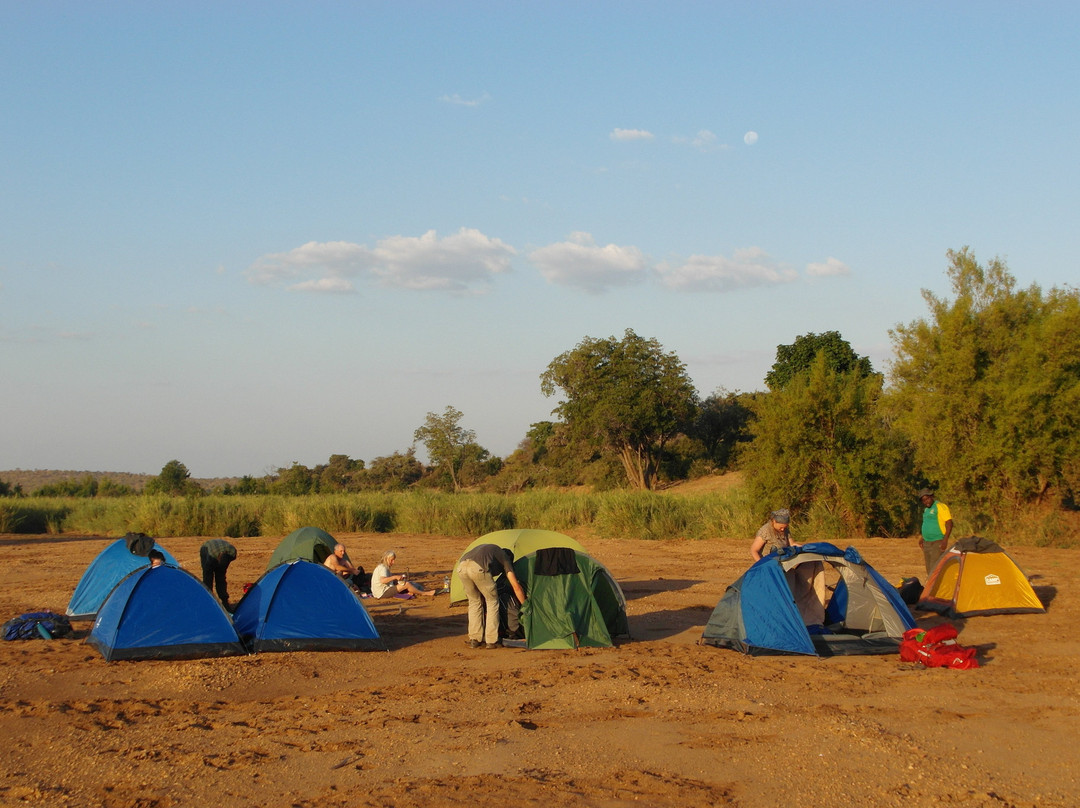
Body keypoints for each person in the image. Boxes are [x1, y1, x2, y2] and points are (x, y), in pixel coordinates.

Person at [749, 509, 825, 627]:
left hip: (786, 568)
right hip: (771, 569)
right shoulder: (765, 531)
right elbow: (754, 550)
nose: (783, 529)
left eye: (785, 527)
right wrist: (762, 565)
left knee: (788, 595)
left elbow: (791, 544)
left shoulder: (785, 530)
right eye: (781, 527)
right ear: (773, 521)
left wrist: (804, 548)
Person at [457, 544, 526, 649]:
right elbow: (516, 587)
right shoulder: (506, 559)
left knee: (474, 602)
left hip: (461, 567)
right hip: (478, 567)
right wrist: (525, 605)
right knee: (492, 602)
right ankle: (491, 641)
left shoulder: (491, 553)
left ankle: (475, 639)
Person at [370, 550, 436, 599]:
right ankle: (425, 593)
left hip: (378, 592)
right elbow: (383, 580)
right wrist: (395, 577)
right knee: (406, 584)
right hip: (381, 593)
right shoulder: (383, 568)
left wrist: (398, 579)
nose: (393, 562)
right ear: (386, 559)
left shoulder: (383, 567)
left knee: (405, 583)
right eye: (391, 560)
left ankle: (412, 591)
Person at [918, 488, 954, 575]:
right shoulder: (926, 510)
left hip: (937, 541)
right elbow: (927, 523)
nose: (926, 502)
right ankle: (931, 587)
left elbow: (949, 523)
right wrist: (922, 537)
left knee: (934, 568)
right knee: (929, 568)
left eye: (927, 499)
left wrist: (945, 540)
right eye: (924, 500)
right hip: (927, 542)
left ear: (932, 496)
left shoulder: (940, 506)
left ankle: (935, 587)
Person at [200, 539, 237, 611]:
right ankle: (208, 602)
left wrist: (224, 598)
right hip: (206, 549)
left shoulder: (232, 552)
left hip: (221, 549)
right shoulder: (211, 557)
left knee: (221, 578)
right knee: (208, 578)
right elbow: (208, 577)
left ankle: (225, 602)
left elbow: (221, 578)